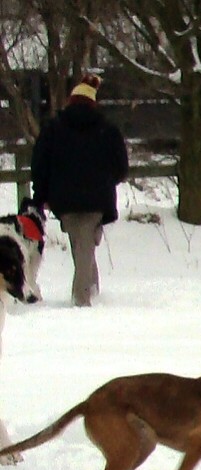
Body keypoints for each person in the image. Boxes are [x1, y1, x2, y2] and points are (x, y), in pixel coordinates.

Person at [31, 73, 129, 307]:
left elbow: (40, 165)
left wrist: (42, 195)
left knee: (81, 241)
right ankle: (83, 298)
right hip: (97, 197)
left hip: (63, 198)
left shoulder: (53, 129)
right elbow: (121, 167)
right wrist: (107, 182)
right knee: (84, 242)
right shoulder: (107, 129)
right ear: (93, 103)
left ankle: (88, 291)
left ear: (70, 101)